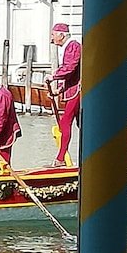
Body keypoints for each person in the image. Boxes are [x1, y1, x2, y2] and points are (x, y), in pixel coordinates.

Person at [46, 22, 81, 167]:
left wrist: (53, 76)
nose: (51, 38)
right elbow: (69, 73)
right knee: (80, 124)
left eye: (53, 35)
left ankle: (60, 159)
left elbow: (70, 68)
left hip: (78, 90)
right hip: (72, 89)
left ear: (62, 35)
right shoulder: (68, 48)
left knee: (65, 122)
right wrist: (58, 89)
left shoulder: (73, 46)